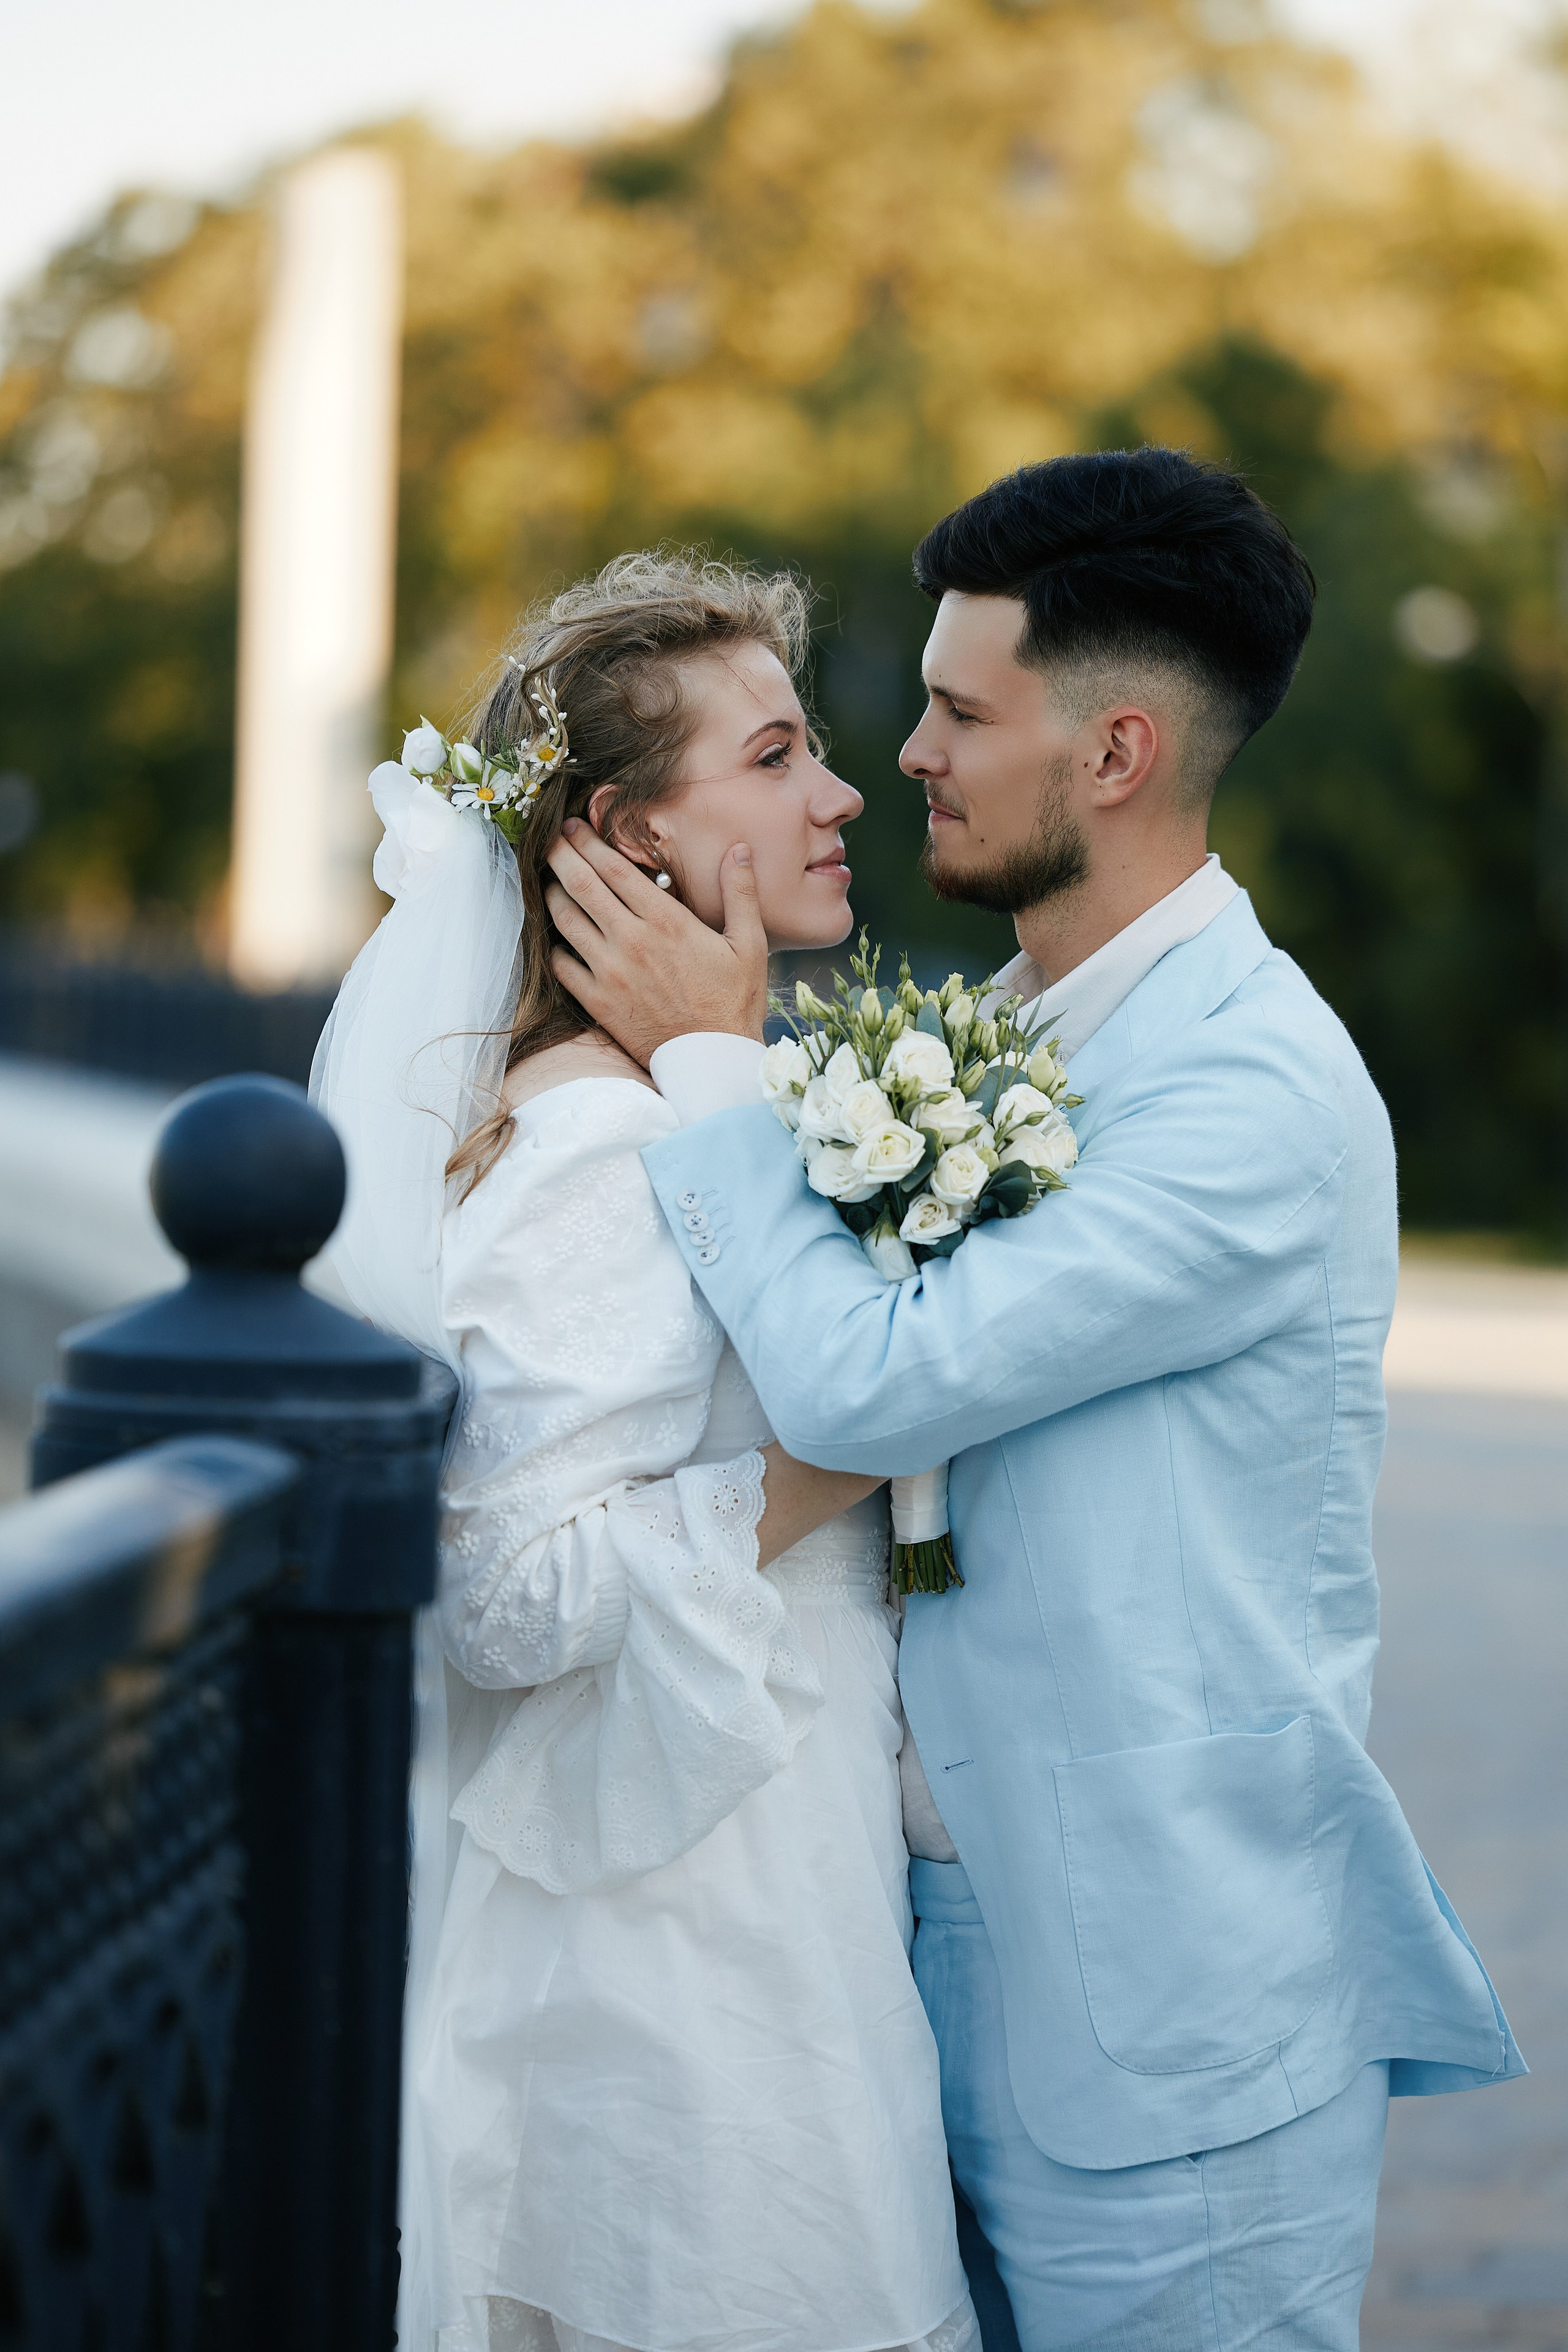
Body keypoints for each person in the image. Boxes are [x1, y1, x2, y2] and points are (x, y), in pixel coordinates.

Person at [540, 451, 1526, 2352]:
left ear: (1117, 752)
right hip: (901, 1972)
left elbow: (873, 1383)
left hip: (1167, 2026)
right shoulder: (993, 1038)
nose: (904, 755)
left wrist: (713, 1069)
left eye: (961, 712)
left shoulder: (1251, 1095)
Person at [311, 554, 979, 2352]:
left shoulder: (678, 1109)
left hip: (761, 1896)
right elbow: (504, 1597)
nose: (841, 795)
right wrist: (858, 1443)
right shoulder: (600, 1149)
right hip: (678, 1964)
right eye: (773, 758)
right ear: (627, 839)